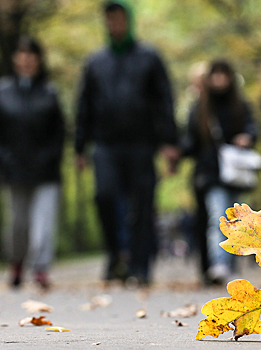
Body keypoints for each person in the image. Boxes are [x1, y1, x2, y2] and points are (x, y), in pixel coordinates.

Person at [75, 1, 178, 286]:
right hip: (105, 145)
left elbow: (164, 101)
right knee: (105, 196)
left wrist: (170, 141)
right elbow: (83, 106)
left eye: (119, 18)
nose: (115, 24)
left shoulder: (149, 58)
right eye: (110, 19)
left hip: (142, 144)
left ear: (128, 21)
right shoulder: (96, 62)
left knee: (142, 205)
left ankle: (141, 266)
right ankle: (116, 255)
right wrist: (79, 146)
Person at [0, 36, 65, 290]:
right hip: (14, 171)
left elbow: (60, 132)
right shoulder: (2, 91)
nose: (27, 60)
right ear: (15, 59)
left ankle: (41, 268)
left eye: (32, 55)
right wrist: (4, 159)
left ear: (39, 60)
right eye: (22, 54)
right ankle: (17, 263)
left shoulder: (50, 92)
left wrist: (51, 157)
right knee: (18, 225)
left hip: (46, 172)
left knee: (43, 224)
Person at [182, 59, 258, 285]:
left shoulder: (241, 106)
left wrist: (248, 138)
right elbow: (190, 141)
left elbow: (253, 127)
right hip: (210, 173)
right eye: (215, 75)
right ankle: (219, 265)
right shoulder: (200, 109)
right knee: (217, 218)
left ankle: (229, 265)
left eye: (223, 75)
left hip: (235, 174)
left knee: (234, 221)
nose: (219, 80)